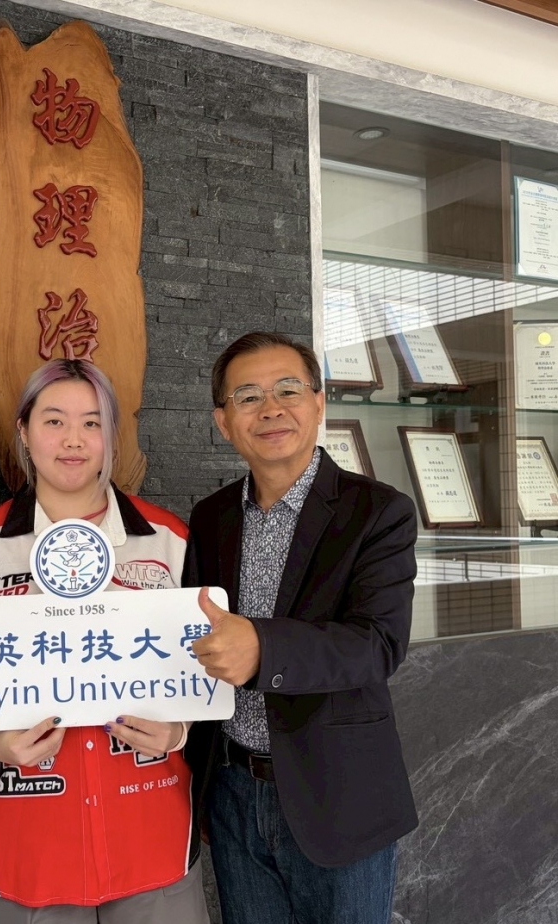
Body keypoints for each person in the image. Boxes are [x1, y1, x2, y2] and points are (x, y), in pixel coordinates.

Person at [0, 359, 210, 924]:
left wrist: (182, 729)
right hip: (26, 845)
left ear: (112, 436)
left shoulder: (170, 541)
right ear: (23, 431)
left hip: (151, 834)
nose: (74, 440)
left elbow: (211, 666)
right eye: (54, 421)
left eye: (92, 423)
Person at [184, 331, 418, 924]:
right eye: (248, 397)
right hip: (233, 789)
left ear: (318, 403)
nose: (270, 409)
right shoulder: (209, 518)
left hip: (339, 795)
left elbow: (378, 644)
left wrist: (264, 648)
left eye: (288, 390)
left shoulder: (379, 512)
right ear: (223, 422)